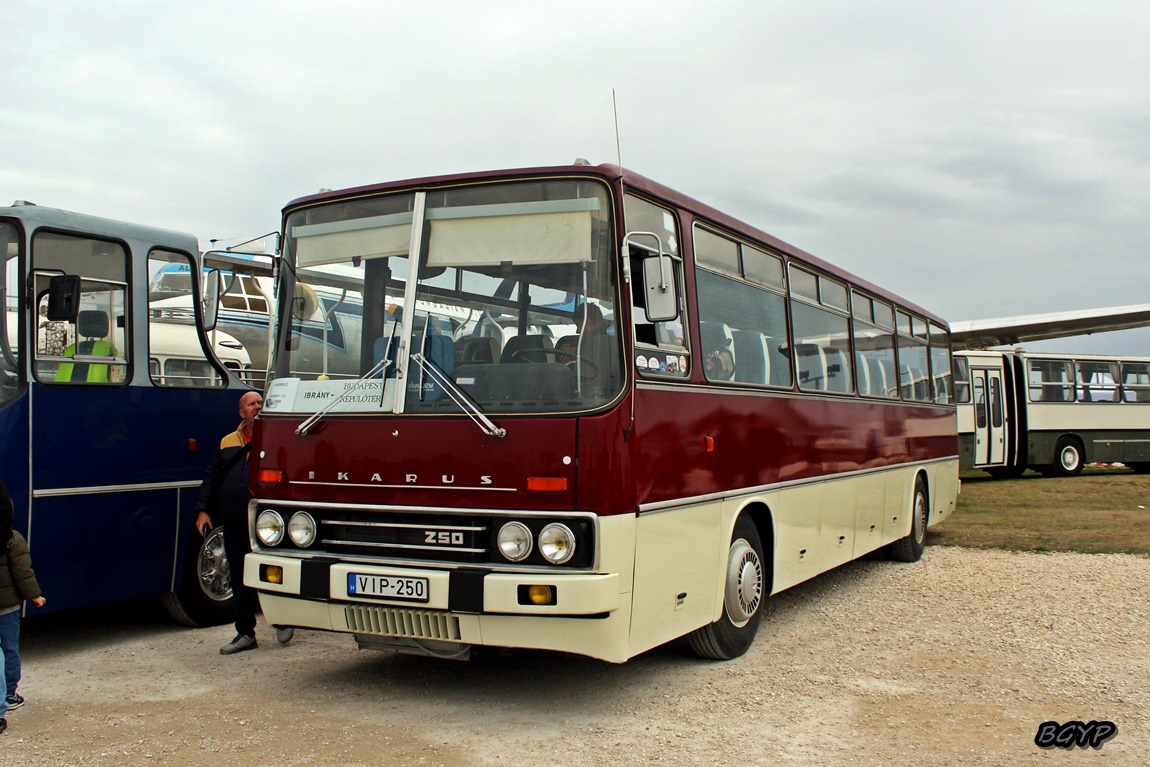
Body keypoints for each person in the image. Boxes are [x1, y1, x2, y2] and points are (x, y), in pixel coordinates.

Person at [193, 391, 294, 655]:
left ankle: (284, 620)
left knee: (273, 573)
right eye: (252, 404)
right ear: (242, 413)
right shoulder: (228, 441)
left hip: (266, 523)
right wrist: (203, 510)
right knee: (238, 576)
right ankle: (245, 633)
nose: (257, 407)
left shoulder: (278, 438)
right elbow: (211, 478)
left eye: (261, 403)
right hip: (234, 520)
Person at [0, 477, 46, 735]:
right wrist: (35, 595)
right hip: (7, 607)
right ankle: (9, 691)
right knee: (9, 649)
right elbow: (23, 573)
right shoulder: (12, 540)